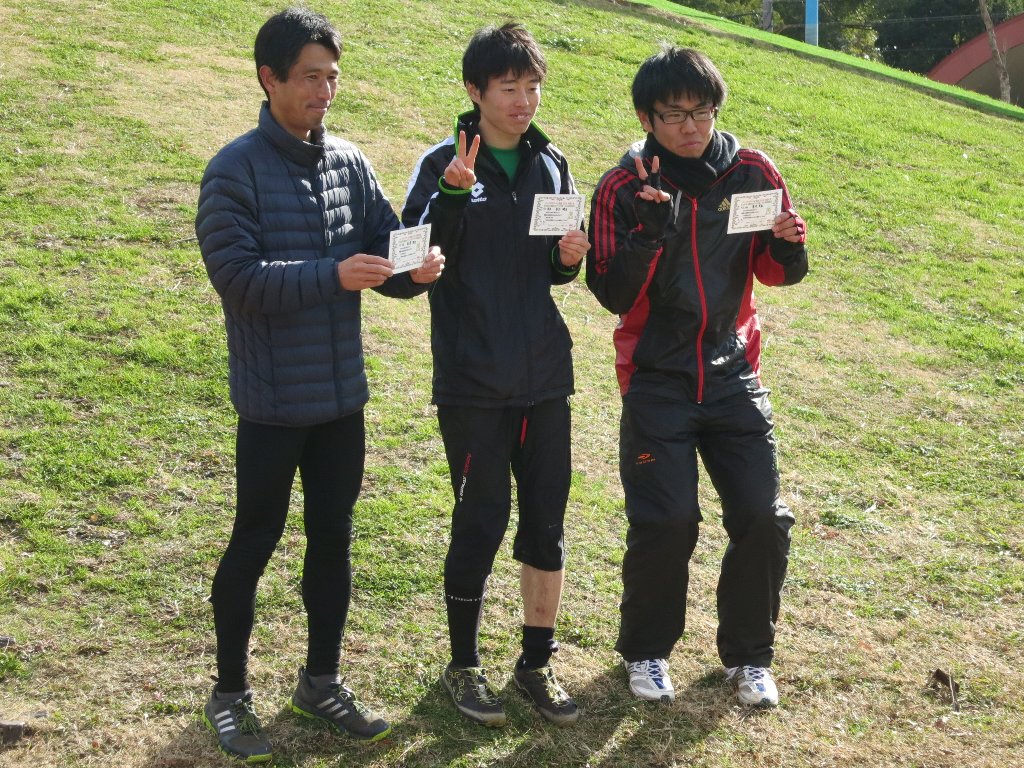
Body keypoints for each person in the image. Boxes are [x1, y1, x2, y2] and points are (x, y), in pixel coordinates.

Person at [194, 7, 444, 762]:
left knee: (333, 537)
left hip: (341, 400)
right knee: (255, 540)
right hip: (273, 402)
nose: (324, 91)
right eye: (309, 77)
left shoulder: (349, 162)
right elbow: (238, 281)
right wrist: (333, 275)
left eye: (332, 77)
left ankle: (322, 681)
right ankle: (229, 693)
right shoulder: (233, 170)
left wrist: (415, 269)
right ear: (268, 78)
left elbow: (381, 253)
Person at [586, 46, 808, 709]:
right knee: (669, 519)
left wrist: (789, 243)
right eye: (674, 114)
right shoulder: (624, 187)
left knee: (763, 516)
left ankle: (749, 659)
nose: (690, 126)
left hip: (733, 370)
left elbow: (777, 271)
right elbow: (611, 292)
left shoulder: (752, 171)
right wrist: (648, 235)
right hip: (657, 377)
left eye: (701, 111)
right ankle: (647, 651)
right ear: (646, 118)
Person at [402, 23, 589, 728]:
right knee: (480, 519)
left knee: (546, 521)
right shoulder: (441, 162)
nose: (523, 101)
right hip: (473, 379)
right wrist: (452, 194)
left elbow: (553, 270)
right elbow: (411, 263)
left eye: (533, 86)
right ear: (474, 91)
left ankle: (536, 663)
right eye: (509, 87)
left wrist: (567, 259)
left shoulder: (551, 163)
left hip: (545, 376)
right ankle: (463, 665)